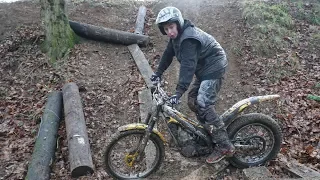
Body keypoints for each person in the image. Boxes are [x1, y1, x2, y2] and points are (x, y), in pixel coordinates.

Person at [150, 6, 235, 164]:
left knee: (203, 102)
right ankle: (208, 131)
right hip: (204, 68)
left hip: (214, 66)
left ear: (178, 24)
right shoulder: (176, 38)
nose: (169, 32)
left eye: (171, 27)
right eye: (166, 29)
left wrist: (178, 92)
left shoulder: (188, 39)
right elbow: (168, 55)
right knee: (193, 100)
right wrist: (158, 73)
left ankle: (224, 145)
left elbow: (188, 67)